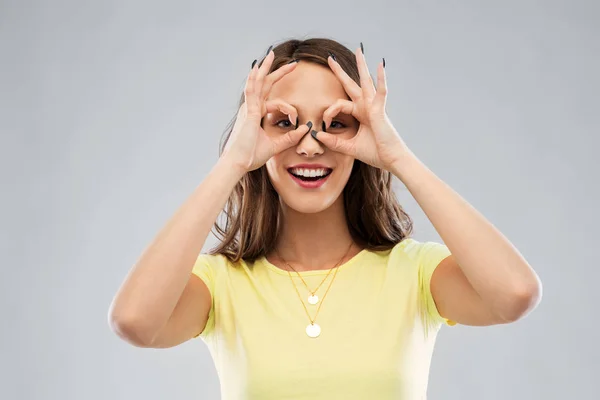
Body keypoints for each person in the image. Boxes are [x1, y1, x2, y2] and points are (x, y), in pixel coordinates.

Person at [108, 38, 542, 399]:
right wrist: (233, 162)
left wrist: (397, 157)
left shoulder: (414, 272)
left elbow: (515, 294)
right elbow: (134, 322)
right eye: (285, 122)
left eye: (336, 123)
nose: (311, 146)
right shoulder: (221, 282)